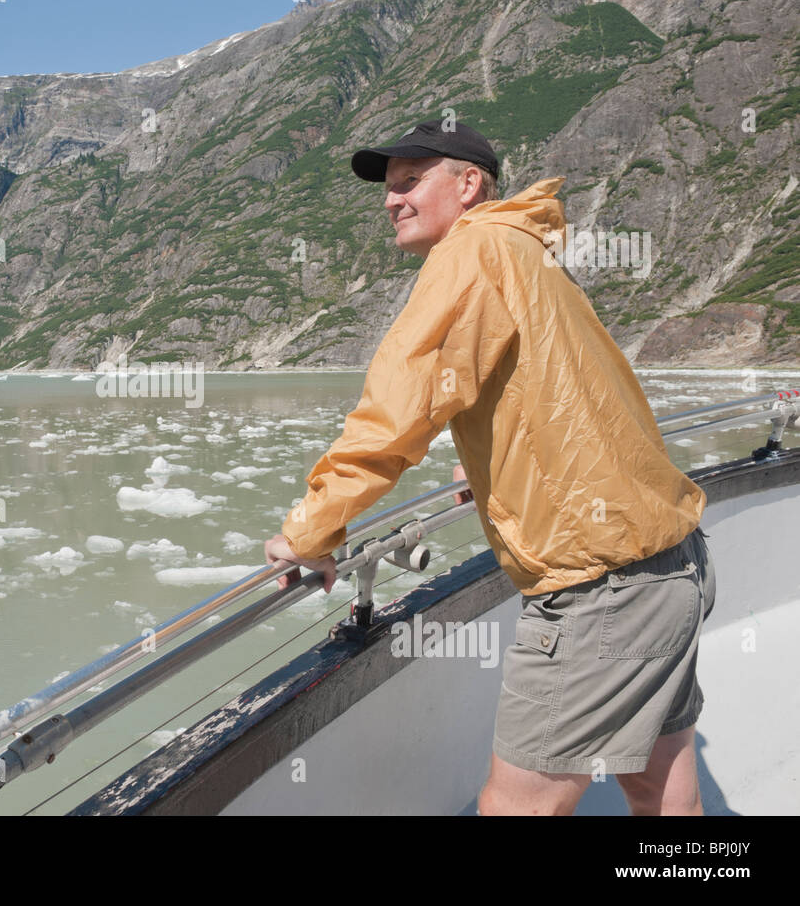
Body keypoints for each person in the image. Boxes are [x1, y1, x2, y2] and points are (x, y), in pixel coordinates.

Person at [263, 119, 715, 816]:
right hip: (669, 561)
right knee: (661, 791)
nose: (393, 199)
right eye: (389, 188)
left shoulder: (469, 251)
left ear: (468, 183)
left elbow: (399, 406)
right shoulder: (526, 250)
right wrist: (499, 468)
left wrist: (312, 528)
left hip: (600, 587)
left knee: (517, 807)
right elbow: (573, 397)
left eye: (411, 181)